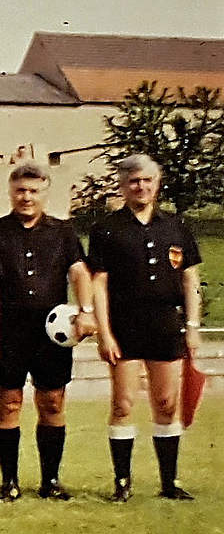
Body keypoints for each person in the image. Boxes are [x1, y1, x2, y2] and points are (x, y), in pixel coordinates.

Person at [88, 154, 202, 501]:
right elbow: (99, 284)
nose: (141, 186)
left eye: (147, 180)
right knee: (123, 403)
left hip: (166, 325)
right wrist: (105, 333)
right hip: (125, 327)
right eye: (134, 181)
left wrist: (193, 326)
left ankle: (169, 483)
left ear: (157, 183)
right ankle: (122, 482)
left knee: (166, 402)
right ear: (123, 186)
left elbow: (190, 279)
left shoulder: (176, 226)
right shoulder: (106, 229)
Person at [0, 162, 96, 501]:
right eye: (20, 190)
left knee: (52, 402)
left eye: (34, 191)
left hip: (54, 335)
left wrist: (86, 311)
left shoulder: (63, 232)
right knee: (8, 404)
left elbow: (79, 272)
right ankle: (9, 481)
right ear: (10, 192)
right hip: (11, 332)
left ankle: (50, 479)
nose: (26, 197)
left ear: (45, 193)